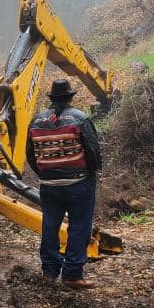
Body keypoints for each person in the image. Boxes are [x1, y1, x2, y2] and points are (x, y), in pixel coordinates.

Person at [26, 79, 103, 289]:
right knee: (79, 227)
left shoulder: (36, 121)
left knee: (50, 226)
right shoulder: (80, 119)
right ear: (70, 97)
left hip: (49, 186)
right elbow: (93, 151)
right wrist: (92, 172)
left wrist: (46, 173)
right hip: (78, 183)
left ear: (51, 98)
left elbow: (30, 155)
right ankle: (72, 275)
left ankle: (49, 273)